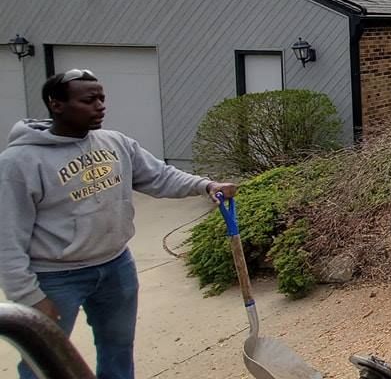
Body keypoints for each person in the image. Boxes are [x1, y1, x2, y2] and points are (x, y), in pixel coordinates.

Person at [0, 69, 237, 379]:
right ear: (56, 104)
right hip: (55, 278)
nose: (100, 106)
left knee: (118, 348)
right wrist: (29, 296)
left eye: (101, 98)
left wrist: (206, 186)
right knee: (43, 359)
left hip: (116, 267)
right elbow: (7, 238)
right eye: (88, 100)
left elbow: (159, 176)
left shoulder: (115, 143)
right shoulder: (18, 163)